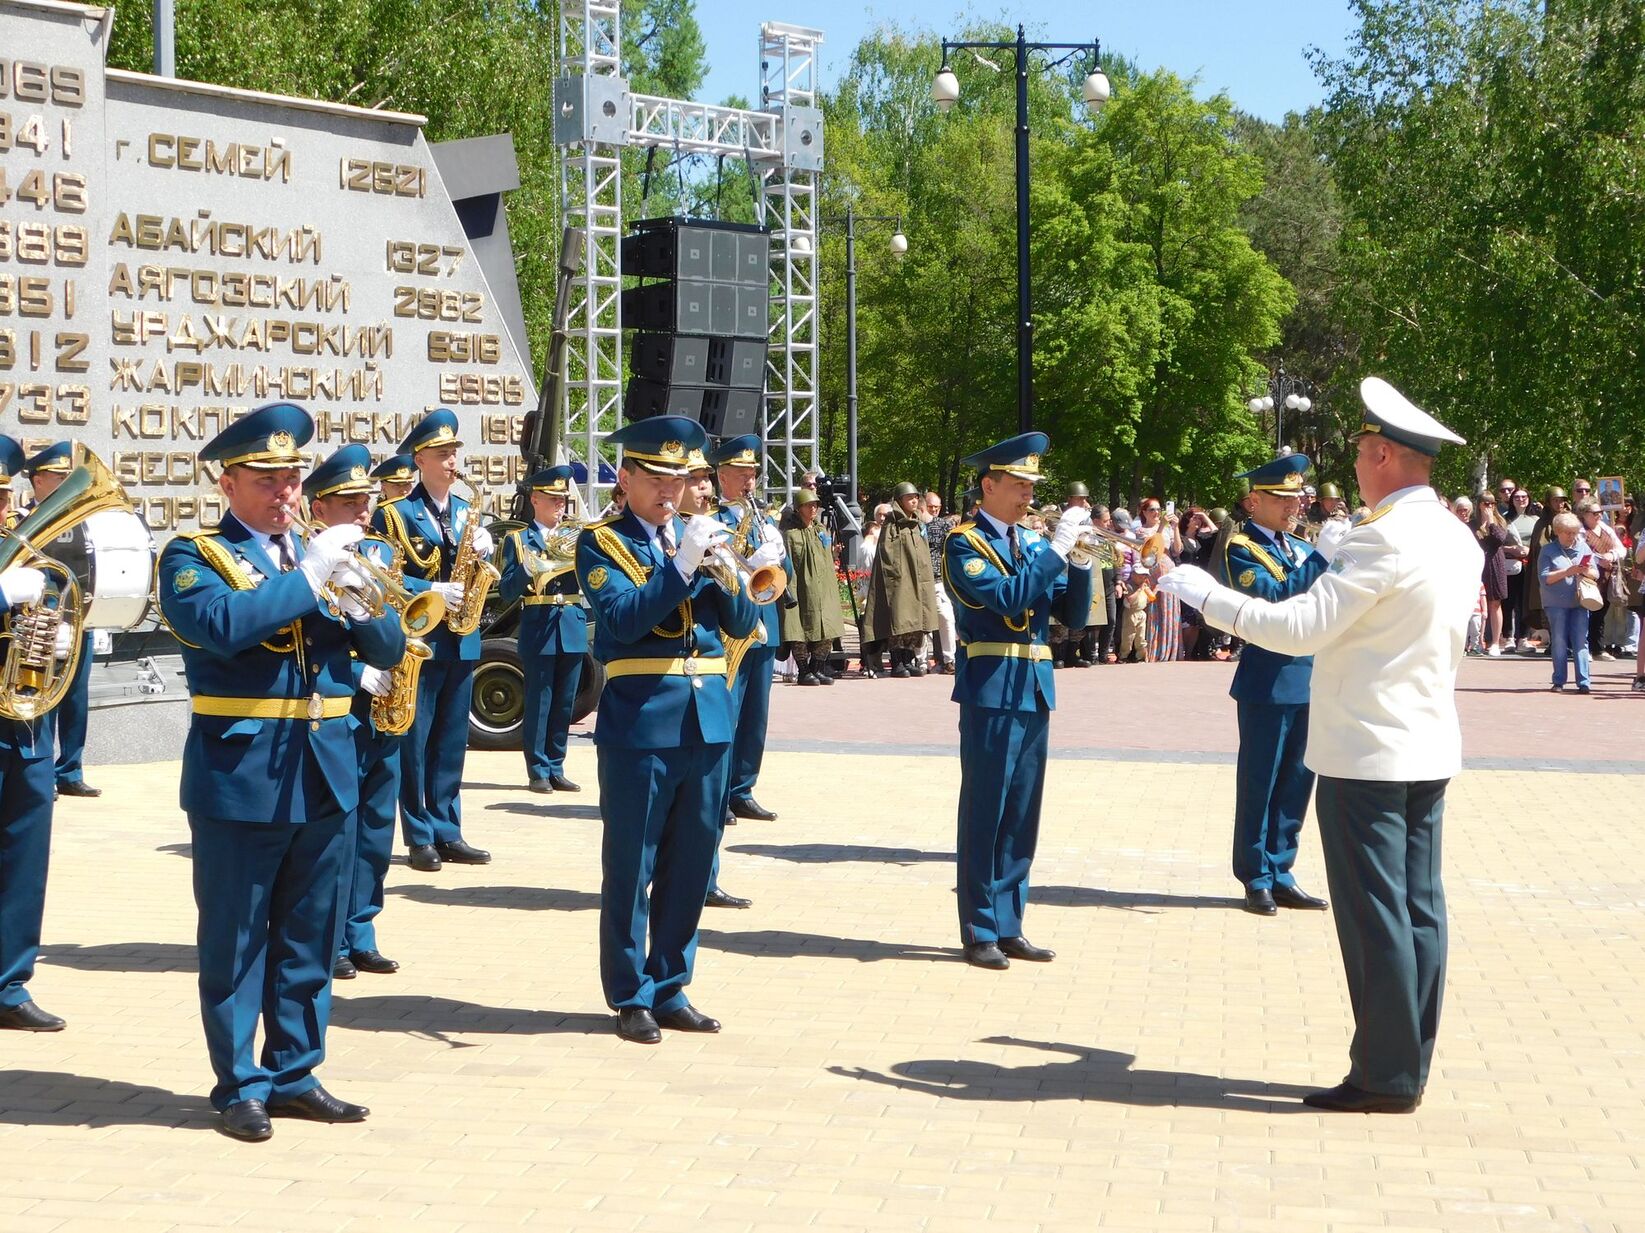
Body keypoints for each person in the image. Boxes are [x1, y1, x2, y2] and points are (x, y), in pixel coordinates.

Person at [1156, 376, 1482, 1114]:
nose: (1358, 466)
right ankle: (1409, 1058)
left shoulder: (1383, 537)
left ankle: (1383, 1072)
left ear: (1386, 456)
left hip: (1366, 749)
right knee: (1418, 906)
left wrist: (1202, 594)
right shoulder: (1453, 534)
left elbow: (1298, 628)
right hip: (1426, 742)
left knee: (1374, 915)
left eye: (1366, 452)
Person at [157, 404, 406, 1140]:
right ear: (228, 482)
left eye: (293, 477)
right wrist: (310, 579)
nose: (285, 492)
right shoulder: (193, 555)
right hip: (242, 770)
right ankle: (240, 1082)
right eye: (266, 479)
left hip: (327, 766)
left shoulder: (318, 552)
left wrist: (356, 588)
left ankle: (296, 1070)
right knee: (237, 937)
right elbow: (223, 626)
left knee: (309, 932)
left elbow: (389, 647)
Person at [575, 417, 759, 1043]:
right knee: (633, 863)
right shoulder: (600, 542)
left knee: (691, 859)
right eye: (655, 478)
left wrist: (735, 569)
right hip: (642, 717)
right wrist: (679, 568)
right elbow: (623, 621)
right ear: (624, 478)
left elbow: (739, 622)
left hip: (707, 717)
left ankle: (671, 984)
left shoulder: (700, 534)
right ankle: (629, 993)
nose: (668, 491)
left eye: (678, 480)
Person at [941, 432, 1095, 970]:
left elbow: (1073, 617)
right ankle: (979, 926)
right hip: (991, 684)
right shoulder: (963, 542)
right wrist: (1055, 551)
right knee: (986, 808)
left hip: (1032, 685)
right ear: (989, 484)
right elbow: (1006, 597)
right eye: (1020, 484)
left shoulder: (1033, 544)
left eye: (1033, 485)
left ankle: (1010, 922)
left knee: (1022, 813)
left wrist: (1080, 559)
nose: (1030, 495)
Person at [371, 409, 495, 872]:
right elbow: (381, 576)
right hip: (419, 638)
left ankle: (449, 829)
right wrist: (430, 591)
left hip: (461, 638)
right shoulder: (393, 513)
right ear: (420, 459)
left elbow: (480, 573)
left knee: (450, 741)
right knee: (415, 738)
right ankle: (419, 834)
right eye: (443, 455)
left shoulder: (467, 511)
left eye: (454, 453)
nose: (452, 462)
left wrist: (485, 552)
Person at [304, 445, 404, 982]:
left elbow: (396, 613)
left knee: (376, 826)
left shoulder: (380, 552)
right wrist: (354, 669)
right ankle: (334, 935)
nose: (366, 510)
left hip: (384, 703)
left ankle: (362, 930)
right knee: (338, 831)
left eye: (367, 499)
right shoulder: (303, 559)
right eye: (351, 502)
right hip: (336, 706)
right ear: (320, 508)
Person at [1222, 454, 1333, 916]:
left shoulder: (1300, 548)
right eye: (1283, 498)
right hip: (1268, 680)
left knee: (1296, 782)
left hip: (1310, 677)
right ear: (1254, 501)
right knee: (1261, 781)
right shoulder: (1241, 547)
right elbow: (1274, 599)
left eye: (1298, 497)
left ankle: (1282, 868)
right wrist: (1325, 558)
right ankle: (1256, 876)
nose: (1295, 505)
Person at [0, 435, 65, 1033]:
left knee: (24, 851)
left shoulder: (22, 551)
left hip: (23, 721)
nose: (3, 510)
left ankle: (8, 981)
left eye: (3, 495)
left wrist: (53, 631)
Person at [710, 437, 790, 825]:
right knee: (730, 711)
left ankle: (743, 788)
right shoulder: (715, 520)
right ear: (722, 476)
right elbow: (718, 570)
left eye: (753, 474)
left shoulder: (765, 519)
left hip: (765, 625)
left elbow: (779, 578)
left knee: (756, 715)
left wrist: (780, 559)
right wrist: (747, 565)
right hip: (734, 628)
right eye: (742, 474)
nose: (750, 482)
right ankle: (718, 792)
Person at [498, 465, 588, 794]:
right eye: (553, 499)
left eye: (562, 499)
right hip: (540, 622)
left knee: (565, 701)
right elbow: (507, 590)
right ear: (536, 499)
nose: (560, 504)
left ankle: (556, 765)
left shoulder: (577, 537)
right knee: (541, 700)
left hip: (572, 622)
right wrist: (526, 567)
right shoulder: (519, 539)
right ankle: (537, 768)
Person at [21, 443, 99, 800]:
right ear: (38, 481)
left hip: (80, 616)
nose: (67, 483)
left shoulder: (82, 520)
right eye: (59, 478)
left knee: (76, 697)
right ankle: (41, 772)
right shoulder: (22, 520)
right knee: (44, 691)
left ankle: (70, 770)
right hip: (42, 621)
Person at [864, 482, 938, 678]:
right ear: (899, 501)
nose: (913, 501)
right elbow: (888, 554)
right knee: (899, 618)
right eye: (909, 498)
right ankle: (897, 661)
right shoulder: (892, 524)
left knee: (915, 619)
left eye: (915, 497)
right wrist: (897, 576)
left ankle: (908, 659)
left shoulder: (918, 523)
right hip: (900, 579)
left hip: (918, 578)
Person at [780, 488, 846, 685]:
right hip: (801, 589)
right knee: (798, 630)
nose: (813, 508)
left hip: (823, 589)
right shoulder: (791, 535)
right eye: (809, 505)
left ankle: (817, 669)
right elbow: (788, 562)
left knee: (827, 628)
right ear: (799, 508)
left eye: (815, 505)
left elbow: (824, 560)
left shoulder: (821, 531)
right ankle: (804, 671)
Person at [1539, 511, 1597, 693]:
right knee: (1559, 640)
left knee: (1581, 641)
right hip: (1555, 603)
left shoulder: (1584, 548)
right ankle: (1558, 681)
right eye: (1568, 533)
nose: (1572, 536)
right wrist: (1567, 572)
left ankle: (1584, 682)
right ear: (1558, 531)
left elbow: (1596, 574)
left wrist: (1586, 571)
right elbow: (1544, 578)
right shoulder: (1547, 550)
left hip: (1580, 601)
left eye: (1574, 532)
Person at [1575, 499, 1624, 661]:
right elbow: (1580, 551)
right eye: (1595, 513)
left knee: (1601, 613)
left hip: (1607, 577)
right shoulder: (1580, 531)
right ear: (1584, 514)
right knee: (1585, 612)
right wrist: (1598, 559)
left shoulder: (1605, 528)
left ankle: (1597, 648)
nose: (1599, 516)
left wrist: (1611, 555)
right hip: (1587, 577)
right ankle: (1584, 648)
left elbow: (1620, 548)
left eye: (1600, 512)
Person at [1523, 486, 1569, 652]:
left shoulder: (1569, 519)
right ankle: (1554, 642)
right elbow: (1540, 545)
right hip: (1549, 571)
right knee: (1548, 608)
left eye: (1562, 500)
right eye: (1555, 501)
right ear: (1549, 503)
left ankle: (1565, 642)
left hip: (1568, 570)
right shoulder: (1542, 523)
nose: (1559, 504)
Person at [1470, 493, 1510, 656]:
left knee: (1495, 603)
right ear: (1479, 504)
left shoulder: (1500, 521)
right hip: (1477, 565)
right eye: (1486, 503)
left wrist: (1491, 522)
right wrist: (1482, 525)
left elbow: (1500, 539)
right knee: (1475, 604)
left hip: (1495, 565)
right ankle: (1474, 642)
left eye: (1492, 503)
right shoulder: (1472, 525)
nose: (1489, 506)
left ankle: (1495, 642)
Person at [924, 491, 958, 672]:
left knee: (946, 617)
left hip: (938, 578)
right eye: (931, 507)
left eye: (937, 507)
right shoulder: (916, 524)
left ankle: (949, 658)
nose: (934, 510)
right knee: (921, 622)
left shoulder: (945, 525)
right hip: (919, 579)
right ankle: (920, 660)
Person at [1503, 487, 1536, 649]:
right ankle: (1508, 637)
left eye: (1524, 496)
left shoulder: (1536, 519)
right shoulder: (1504, 519)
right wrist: (1511, 550)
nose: (1521, 499)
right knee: (1508, 602)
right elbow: (1497, 544)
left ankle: (1523, 637)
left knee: (1525, 603)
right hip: (1510, 565)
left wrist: (1530, 551)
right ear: (1511, 500)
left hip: (1529, 566)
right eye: (1517, 497)